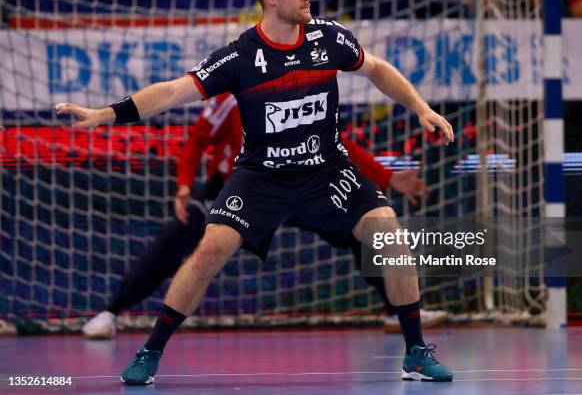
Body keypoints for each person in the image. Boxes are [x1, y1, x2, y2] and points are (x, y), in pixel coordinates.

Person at [56, 0, 455, 385]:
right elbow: (172, 92)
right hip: (262, 176)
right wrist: (106, 114)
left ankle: (414, 352)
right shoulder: (242, 56)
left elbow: (375, 67)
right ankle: (150, 351)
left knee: (388, 235)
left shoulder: (329, 37)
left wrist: (420, 107)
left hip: (326, 170)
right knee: (209, 248)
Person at [82, 91, 447, 338]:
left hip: (301, 186)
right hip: (239, 190)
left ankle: (393, 311)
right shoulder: (229, 96)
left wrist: (387, 178)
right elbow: (196, 141)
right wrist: (182, 185)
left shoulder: (304, 93)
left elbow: (342, 146)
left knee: (362, 224)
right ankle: (111, 313)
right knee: (177, 237)